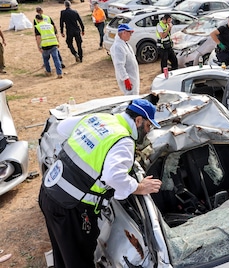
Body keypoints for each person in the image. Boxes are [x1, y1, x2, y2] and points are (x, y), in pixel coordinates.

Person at [38, 98, 163, 268]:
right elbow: (113, 177)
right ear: (138, 120)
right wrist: (139, 187)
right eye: (148, 126)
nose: (148, 131)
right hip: (71, 208)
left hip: (49, 191)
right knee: (79, 261)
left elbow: (62, 128)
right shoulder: (124, 141)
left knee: (64, 253)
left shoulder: (101, 118)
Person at [110, 24, 140, 95]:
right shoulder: (118, 47)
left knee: (134, 96)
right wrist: (126, 79)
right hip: (128, 79)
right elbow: (119, 65)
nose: (131, 35)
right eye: (130, 33)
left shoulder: (125, 44)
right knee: (131, 98)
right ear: (124, 33)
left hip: (132, 77)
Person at [35, 14, 63, 79]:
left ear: (37, 20)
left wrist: (39, 47)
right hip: (53, 44)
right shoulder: (50, 25)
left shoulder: (38, 27)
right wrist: (58, 42)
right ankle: (59, 73)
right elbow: (56, 34)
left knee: (46, 59)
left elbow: (38, 38)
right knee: (56, 59)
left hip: (45, 45)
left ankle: (48, 72)